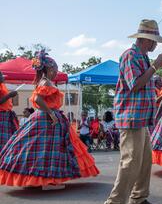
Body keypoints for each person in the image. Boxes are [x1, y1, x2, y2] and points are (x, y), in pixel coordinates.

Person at [0, 49, 99, 190]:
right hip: (47, 118)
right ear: (50, 69)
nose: (57, 71)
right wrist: (51, 113)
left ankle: (40, 179)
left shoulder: (44, 82)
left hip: (46, 117)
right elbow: (37, 99)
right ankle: (48, 180)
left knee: (42, 149)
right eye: (55, 68)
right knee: (49, 149)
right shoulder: (45, 82)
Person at [102, 19, 162, 204]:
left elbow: (143, 81)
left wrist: (154, 76)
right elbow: (135, 85)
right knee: (131, 161)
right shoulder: (130, 56)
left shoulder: (141, 57)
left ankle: (138, 199)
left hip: (140, 118)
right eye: (154, 41)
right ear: (146, 40)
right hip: (131, 117)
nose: (156, 45)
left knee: (145, 160)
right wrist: (156, 67)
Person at [0, 71, 19, 151]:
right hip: (1, 116)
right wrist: (9, 95)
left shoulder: (2, 86)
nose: (3, 78)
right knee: (3, 142)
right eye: (1, 76)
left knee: (9, 141)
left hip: (7, 115)